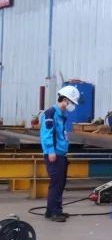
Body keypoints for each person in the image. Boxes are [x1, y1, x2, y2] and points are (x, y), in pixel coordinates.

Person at [39, 85, 80, 222]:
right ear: (65, 100)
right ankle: (55, 212)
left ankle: (52, 210)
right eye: (72, 102)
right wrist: (51, 151)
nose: (72, 106)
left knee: (60, 183)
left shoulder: (61, 115)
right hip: (54, 154)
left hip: (60, 154)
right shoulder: (51, 113)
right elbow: (47, 134)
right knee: (56, 184)